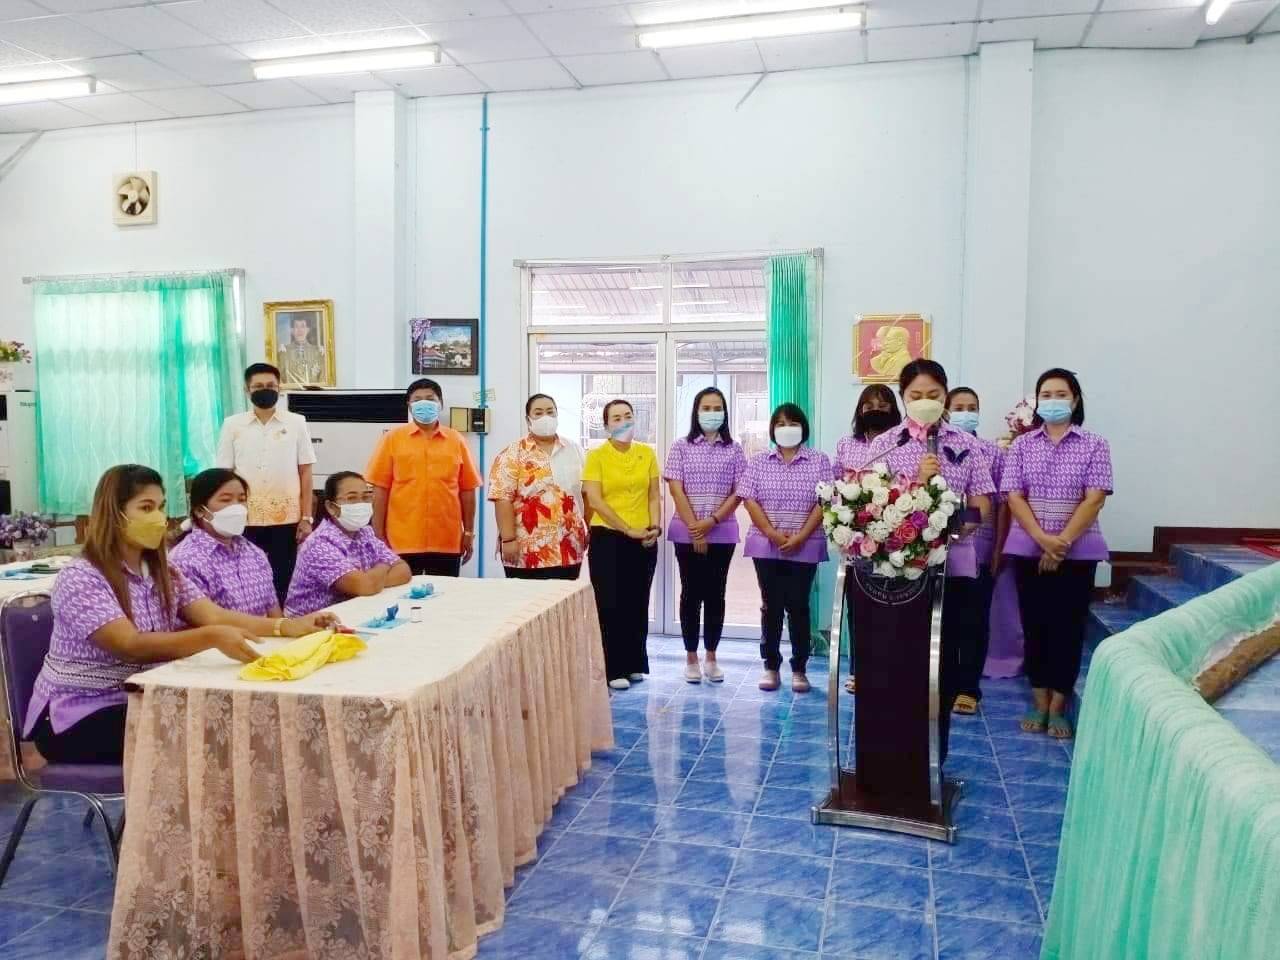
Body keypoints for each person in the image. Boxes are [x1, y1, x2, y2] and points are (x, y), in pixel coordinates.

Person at [22, 464, 340, 765]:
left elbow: (214, 615)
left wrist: (286, 626)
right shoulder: (82, 577)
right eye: (146, 508)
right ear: (114, 514)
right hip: (78, 713)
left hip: (142, 695)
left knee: (236, 720)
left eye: (161, 507)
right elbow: (130, 645)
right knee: (213, 733)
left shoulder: (163, 571)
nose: (159, 518)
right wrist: (210, 638)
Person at [862, 360, 994, 762]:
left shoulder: (967, 444)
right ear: (903, 398)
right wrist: (919, 484)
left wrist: (958, 525)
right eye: (916, 395)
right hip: (901, 571)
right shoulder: (888, 444)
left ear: (946, 395)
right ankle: (898, 751)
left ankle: (936, 753)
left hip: (953, 565)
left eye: (933, 395)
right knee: (902, 658)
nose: (925, 402)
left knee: (946, 657)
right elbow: (871, 507)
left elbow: (982, 502)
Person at [1003, 368, 1112, 741]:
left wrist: (1061, 542)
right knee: (1035, 625)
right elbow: (1014, 496)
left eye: (1060, 394)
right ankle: (1038, 701)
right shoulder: (1022, 445)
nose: (1053, 401)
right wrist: (1042, 539)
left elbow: (1094, 498)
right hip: (1029, 549)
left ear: (1075, 400)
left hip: (1077, 553)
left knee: (1069, 627)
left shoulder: (1094, 444)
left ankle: (1058, 706)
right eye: (1045, 395)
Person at [739, 403, 831, 693]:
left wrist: (801, 536)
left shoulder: (819, 460)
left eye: (792, 423)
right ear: (772, 429)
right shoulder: (758, 461)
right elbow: (749, 499)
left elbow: (825, 501)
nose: (786, 428)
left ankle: (800, 669)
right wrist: (772, 533)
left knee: (799, 606)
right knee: (771, 606)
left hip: (806, 544)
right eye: (780, 423)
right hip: (766, 545)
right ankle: (771, 666)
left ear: (803, 427)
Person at [215, 362, 317, 605]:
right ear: (247, 390)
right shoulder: (232, 425)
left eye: (271, 385)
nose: (265, 390)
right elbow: (224, 474)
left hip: (287, 518)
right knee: (247, 574)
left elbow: (305, 471)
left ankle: (282, 618)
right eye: (258, 386)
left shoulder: (296, 422)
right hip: (244, 517)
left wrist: (307, 517)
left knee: (284, 575)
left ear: (279, 388)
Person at [665, 387, 747, 684]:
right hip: (685, 532)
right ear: (696, 412)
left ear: (724, 412)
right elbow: (676, 489)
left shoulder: (735, 449)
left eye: (717, 408)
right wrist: (695, 529)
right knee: (691, 594)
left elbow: (739, 492)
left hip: (722, 532)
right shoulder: (680, 447)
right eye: (706, 408)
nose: (712, 413)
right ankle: (691, 658)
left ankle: (711, 657)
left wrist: (711, 522)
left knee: (715, 595)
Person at [366, 378, 482, 577]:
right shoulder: (392, 439)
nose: (424, 403)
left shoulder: (456, 440)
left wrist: (469, 532)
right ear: (409, 406)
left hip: (446, 539)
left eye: (430, 398)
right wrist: (378, 535)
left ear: (440, 404)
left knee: (444, 594)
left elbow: (467, 490)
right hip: (402, 540)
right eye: (417, 399)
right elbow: (380, 490)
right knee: (402, 593)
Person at [583, 399, 661, 691]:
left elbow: (653, 495)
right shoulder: (596, 455)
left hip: (644, 538)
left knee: (637, 601)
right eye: (616, 418)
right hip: (608, 538)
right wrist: (627, 529)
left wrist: (654, 527)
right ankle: (613, 666)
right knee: (610, 603)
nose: (623, 422)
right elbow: (595, 500)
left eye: (627, 416)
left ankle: (634, 662)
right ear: (606, 426)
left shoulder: (647, 453)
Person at [488, 393, 589, 580]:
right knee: (527, 598)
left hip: (569, 546)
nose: (545, 417)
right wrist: (508, 539)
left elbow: (586, 493)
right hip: (526, 550)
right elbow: (502, 498)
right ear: (528, 420)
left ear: (557, 415)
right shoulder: (512, 453)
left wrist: (590, 529)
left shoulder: (574, 449)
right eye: (538, 413)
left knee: (564, 597)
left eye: (550, 412)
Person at [945, 387, 1002, 714]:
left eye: (972, 407)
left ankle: (969, 688)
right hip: (942, 550)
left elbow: (1000, 504)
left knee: (975, 620)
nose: (966, 413)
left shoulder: (991, 452)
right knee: (945, 620)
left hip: (981, 547)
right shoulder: (935, 448)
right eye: (959, 407)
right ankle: (944, 684)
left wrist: (998, 549)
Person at [286, 471, 412, 616]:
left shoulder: (365, 532)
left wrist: (373, 582)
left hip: (354, 613)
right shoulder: (319, 544)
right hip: (312, 623)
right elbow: (365, 586)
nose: (361, 504)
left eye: (366, 497)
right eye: (352, 498)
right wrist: (384, 565)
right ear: (331, 507)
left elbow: (404, 571)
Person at [170, 468, 279, 618]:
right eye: (226, 500)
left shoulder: (255, 553)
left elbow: (274, 611)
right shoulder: (185, 561)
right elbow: (207, 622)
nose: (237, 507)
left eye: (242, 499)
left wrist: (285, 627)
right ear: (200, 510)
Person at [835, 383, 902, 477]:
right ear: (860, 412)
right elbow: (836, 479)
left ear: (892, 410)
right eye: (869, 407)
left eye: (882, 406)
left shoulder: (901, 444)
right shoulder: (845, 444)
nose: (876, 410)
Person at [277, 313, 326, 386]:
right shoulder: (284, 352)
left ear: (308, 330)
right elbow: (279, 377)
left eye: (303, 326)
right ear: (292, 330)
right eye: (296, 326)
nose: (300, 330)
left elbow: (323, 378)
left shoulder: (318, 352)